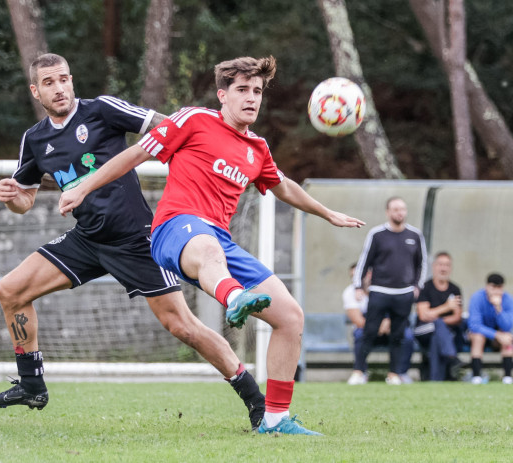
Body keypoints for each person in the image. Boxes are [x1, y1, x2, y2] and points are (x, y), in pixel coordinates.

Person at [59, 55, 365, 436]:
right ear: (222, 95)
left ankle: (274, 420)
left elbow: (283, 185)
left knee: (290, 317)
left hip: (220, 242)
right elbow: (136, 154)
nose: (251, 98)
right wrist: (83, 186)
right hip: (174, 228)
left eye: (257, 91)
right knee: (207, 248)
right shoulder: (193, 119)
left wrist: (327, 213)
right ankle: (234, 297)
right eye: (242, 90)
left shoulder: (258, 148)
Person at [0, 53, 266, 431]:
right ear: (36, 91)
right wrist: (11, 196)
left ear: (72, 79)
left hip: (135, 238)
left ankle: (254, 399)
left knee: (182, 326)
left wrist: (209, 154)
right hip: (87, 238)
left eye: (64, 78)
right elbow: (25, 201)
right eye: (49, 83)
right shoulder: (35, 140)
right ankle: (32, 384)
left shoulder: (101, 110)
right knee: (11, 290)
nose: (60, 88)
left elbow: (170, 127)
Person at [353, 197, 426, 385]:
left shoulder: (415, 235)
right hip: (379, 291)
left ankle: (394, 374)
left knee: (398, 336)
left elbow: (422, 263)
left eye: (402, 209)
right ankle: (359, 372)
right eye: (395, 209)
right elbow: (364, 261)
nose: (399, 213)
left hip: (404, 294)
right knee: (369, 332)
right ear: (388, 212)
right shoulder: (377, 234)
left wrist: (417, 286)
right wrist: (358, 286)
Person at [345, 263, 414, 385]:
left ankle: (400, 373)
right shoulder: (350, 292)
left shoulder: (383, 288)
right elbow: (358, 320)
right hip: (368, 330)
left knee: (406, 335)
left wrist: (388, 324)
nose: (357, 280)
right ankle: (360, 372)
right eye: (353, 277)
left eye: (360, 275)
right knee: (360, 335)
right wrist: (377, 326)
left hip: (389, 329)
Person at [414, 251, 465, 381]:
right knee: (437, 325)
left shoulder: (455, 289)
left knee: (437, 336)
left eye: (447, 265)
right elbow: (423, 315)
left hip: (442, 334)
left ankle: (435, 379)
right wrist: (446, 307)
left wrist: (437, 318)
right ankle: (452, 357)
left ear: (451, 268)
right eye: (441, 264)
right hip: (423, 331)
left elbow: (457, 317)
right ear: (434, 266)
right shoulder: (425, 287)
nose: (443, 268)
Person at [467, 273, 513, 384]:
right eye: (493, 287)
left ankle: (507, 378)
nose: (496, 291)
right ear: (487, 286)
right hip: (480, 334)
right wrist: (496, 335)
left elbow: (508, 326)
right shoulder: (477, 298)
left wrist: (498, 308)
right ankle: (476, 377)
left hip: (498, 338)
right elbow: (474, 325)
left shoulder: (508, 299)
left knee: (507, 338)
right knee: (478, 337)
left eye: (499, 288)